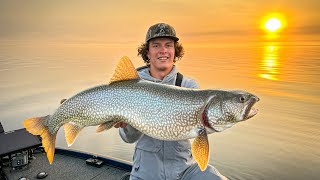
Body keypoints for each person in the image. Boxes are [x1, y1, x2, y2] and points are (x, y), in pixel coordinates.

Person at [114, 23, 227, 180]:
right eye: (156, 45)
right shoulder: (130, 88)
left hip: (186, 170)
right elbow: (128, 138)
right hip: (146, 172)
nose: (163, 50)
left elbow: (202, 132)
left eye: (169, 45)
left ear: (175, 51)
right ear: (147, 52)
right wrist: (127, 125)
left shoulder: (188, 86)